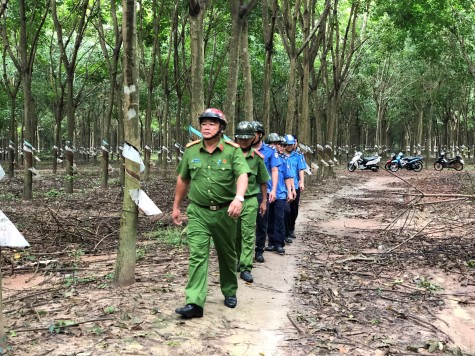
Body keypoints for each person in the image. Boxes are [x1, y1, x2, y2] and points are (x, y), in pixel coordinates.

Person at [172, 108, 250, 318]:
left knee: (227, 255)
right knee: (197, 255)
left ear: (221, 127)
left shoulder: (232, 151)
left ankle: (229, 291)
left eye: (212, 124)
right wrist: (176, 206)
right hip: (198, 211)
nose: (206, 127)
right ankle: (194, 303)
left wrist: (239, 198)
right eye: (204, 124)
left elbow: (242, 175)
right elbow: (183, 179)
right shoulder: (191, 151)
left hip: (225, 213)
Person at [234, 121, 270, 283]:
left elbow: (263, 181)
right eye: (240, 138)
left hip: (250, 201)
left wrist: (264, 202)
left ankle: (246, 267)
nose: (243, 141)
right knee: (234, 234)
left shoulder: (257, 159)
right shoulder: (230, 155)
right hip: (232, 202)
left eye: (247, 138)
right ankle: (237, 260)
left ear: (252, 138)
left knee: (248, 234)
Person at [250, 121, 280, 263]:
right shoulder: (243, 149)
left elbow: (274, 170)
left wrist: (273, 189)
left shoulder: (270, 151)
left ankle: (259, 250)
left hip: (262, 191)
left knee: (262, 222)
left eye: (253, 134)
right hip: (246, 191)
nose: (250, 137)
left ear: (260, 135)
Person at [264, 133, 294, 254]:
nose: (278, 146)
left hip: (280, 194)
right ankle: (271, 242)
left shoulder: (283, 160)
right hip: (266, 192)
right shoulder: (264, 158)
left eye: (279, 144)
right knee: (269, 219)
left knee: (280, 218)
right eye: (274, 144)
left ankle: (279, 243)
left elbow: (287, 176)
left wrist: (290, 191)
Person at [282, 134, 307, 241]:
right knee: (285, 209)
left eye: (291, 145)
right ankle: (285, 231)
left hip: (295, 185)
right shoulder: (280, 154)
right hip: (282, 186)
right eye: (287, 144)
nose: (289, 146)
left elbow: (301, 169)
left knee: (294, 208)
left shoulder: (298, 155)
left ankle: (291, 228)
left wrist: (301, 182)